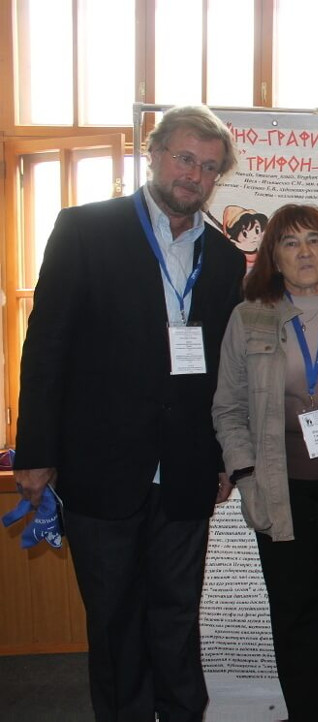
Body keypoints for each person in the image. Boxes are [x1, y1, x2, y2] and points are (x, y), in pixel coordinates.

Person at [12, 105, 245, 721]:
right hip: (101, 465)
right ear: (154, 152)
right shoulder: (86, 229)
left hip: (187, 472)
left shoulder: (223, 260)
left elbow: (224, 372)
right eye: (185, 158)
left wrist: (224, 457)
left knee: (176, 615)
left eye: (209, 168)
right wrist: (35, 451)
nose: (194, 175)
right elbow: (47, 345)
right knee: (115, 620)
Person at [213, 203, 318, 721]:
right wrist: (244, 478)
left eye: (314, 240)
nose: (304, 252)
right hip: (278, 490)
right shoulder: (249, 318)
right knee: (293, 615)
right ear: (273, 256)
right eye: (290, 242)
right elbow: (228, 407)